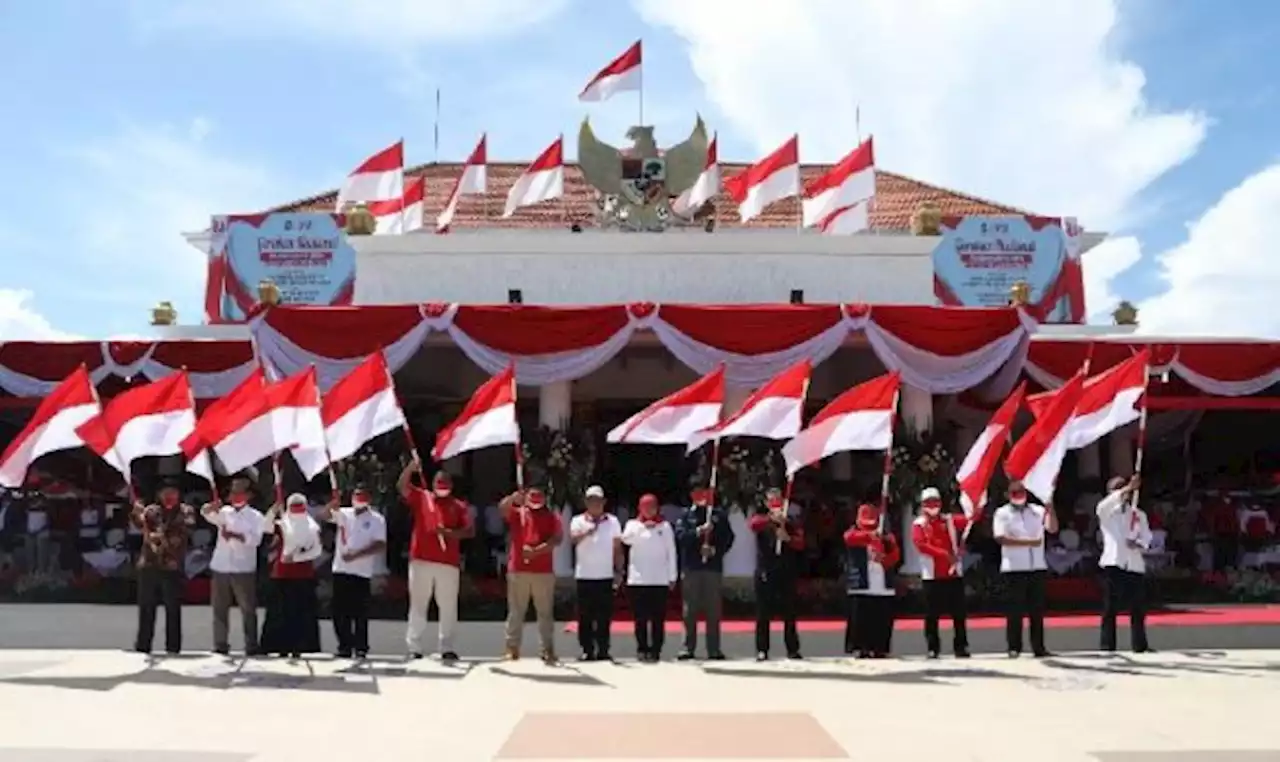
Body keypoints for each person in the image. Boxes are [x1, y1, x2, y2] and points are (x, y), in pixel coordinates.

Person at [399, 462, 474, 662]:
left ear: (451, 484)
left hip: (448, 563)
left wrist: (447, 533)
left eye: (445, 482)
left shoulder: (459, 505)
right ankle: (414, 646)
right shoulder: (423, 498)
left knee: (448, 606)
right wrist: (410, 469)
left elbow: (468, 531)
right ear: (432, 483)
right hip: (421, 560)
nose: (442, 485)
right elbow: (402, 487)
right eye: (438, 482)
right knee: (418, 604)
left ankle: (446, 647)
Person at [991, 480, 1058, 658]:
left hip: (1036, 566)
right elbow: (1000, 538)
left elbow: (1052, 528)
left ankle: (1039, 647)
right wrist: (1028, 543)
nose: (1019, 496)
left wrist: (1050, 508)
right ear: (1008, 495)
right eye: (1014, 493)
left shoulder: (1037, 511)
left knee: (1037, 610)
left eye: (1021, 492)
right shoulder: (1002, 513)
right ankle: (1014, 646)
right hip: (1014, 567)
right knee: (1015, 610)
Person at [202, 482, 267, 656]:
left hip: (243, 567)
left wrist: (236, 536)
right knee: (219, 608)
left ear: (248, 496)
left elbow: (256, 540)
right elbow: (206, 514)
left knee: (247, 609)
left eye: (241, 493)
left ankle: (251, 645)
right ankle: (220, 644)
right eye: (233, 493)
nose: (236, 496)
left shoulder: (256, 516)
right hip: (221, 565)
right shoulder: (224, 513)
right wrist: (209, 507)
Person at [130, 480, 195, 655]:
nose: (169, 496)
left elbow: (184, 532)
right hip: (149, 563)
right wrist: (137, 514)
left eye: (173, 492)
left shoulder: (186, 511)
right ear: (159, 495)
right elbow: (140, 526)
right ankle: (143, 645)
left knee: (173, 607)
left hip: (172, 564)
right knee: (146, 606)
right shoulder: (151, 511)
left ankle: (173, 646)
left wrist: (160, 537)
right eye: (165, 493)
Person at [500, 486, 561, 663]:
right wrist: (513, 498)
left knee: (545, 613)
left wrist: (537, 551)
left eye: (539, 496)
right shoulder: (518, 513)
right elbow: (503, 509)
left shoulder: (551, 516)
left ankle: (547, 649)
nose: (535, 499)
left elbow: (556, 539)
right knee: (516, 611)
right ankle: (512, 648)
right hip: (518, 569)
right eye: (532, 496)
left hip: (543, 571)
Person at [324, 485, 387, 659]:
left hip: (361, 572)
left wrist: (357, 555)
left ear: (370, 498)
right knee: (339, 611)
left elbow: (380, 544)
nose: (359, 498)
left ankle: (361, 647)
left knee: (360, 612)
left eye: (363, 495)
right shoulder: (344, 513)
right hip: (341, 569)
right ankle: (344, 646)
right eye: (357, 495)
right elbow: (324, 515)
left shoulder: (377, 519)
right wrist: (332, 503)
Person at [259, 493, 324, 658]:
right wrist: (274, 509)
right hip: (282, 574)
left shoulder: (312, 526)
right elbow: (265, 526)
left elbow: (316, 550)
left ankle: (299, 646)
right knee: (280, 612)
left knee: (301, 613)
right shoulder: (282, 524)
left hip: (303, 574)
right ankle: (279, 646)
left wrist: (296, 556)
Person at [910, 487, 972, 659]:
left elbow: (970, 520)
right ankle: (932, 647)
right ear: (922, 505)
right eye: (928, 502)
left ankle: (961, 646)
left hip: (953, 574)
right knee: (932, 614)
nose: (932, 505)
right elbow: (921, 544)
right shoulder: (919, 524)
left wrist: (975, 505)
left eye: (935, 502)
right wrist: (944, 555)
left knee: (959, 613)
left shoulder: (950, 520)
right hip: (932, 575)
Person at [673, 486, 733, 661]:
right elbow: (681, 537)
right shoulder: (686, 516)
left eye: (705, 492)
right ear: (692, 495)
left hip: (712, 568)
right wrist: (698, 532)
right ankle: (687, 647)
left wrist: (715, 550)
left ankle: (714, 649)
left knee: (713, 610)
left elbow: (728, 539)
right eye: (698, 492)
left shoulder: (718, 515)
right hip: (692, 567)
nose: (702, 496)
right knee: (689, 610)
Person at [1096, 475, 1153, 653]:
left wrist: (1138, 543)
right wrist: (1128, 487)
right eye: (1118, 487)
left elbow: (1147, 538)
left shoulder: (1138, 514)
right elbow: (1106, 505)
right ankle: (1107, 645)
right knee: (1110, 607)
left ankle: (1140, 644)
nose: (1123, 490)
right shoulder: (1106, 512)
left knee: (1138, 607)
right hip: (1114, 562)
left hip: (1134, 563)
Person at [747, 488, 804, 661]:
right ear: (766, 503)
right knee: (763, 613)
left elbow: (800, 543)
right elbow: (753, 524)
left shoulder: (791, 521)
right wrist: (772, 519)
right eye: (772, 500)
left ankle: (792, 649)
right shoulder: (761, 520)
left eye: (778, 499)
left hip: (786, 571)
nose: (776, 503)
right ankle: (762, 649)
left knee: (790, 612)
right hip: (766, 570)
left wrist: (788, 538)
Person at [620, 493, 678, 663]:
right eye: (645, 507)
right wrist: (643, 527)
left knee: (658, 618)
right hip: (638, 579)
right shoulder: (632, 525)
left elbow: (671, 552)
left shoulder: (665, 526)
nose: (649, 511)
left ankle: (656, 650)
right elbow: (626, 539)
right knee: (640, 618)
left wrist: (672, 576)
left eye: (652, 507)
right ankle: (642, 648)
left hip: (659, 579)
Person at [569, 485, 622, 662]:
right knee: (584, 616)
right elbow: (573, 540)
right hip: (584, 575)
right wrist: (587, 531)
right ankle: (587, 649)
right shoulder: (578, 520)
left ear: (604, 502)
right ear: (586, 502)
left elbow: (617, 547)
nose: (595, 504)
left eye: (598, 501)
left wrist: (618, 570)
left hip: (605, 575)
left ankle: (603, 650)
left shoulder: (612, 521)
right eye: (591, 501)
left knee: (604, 616)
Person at [842, 503, 900, 658]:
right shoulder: (854, 534)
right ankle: (860, 647)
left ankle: (880, 647)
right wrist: (870, 536)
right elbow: (848, 538)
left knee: (882, 619)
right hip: (861, 584)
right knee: (860, 619)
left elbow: (895, 556)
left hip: (882, 585)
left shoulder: (887, 537)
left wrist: (884, 558)